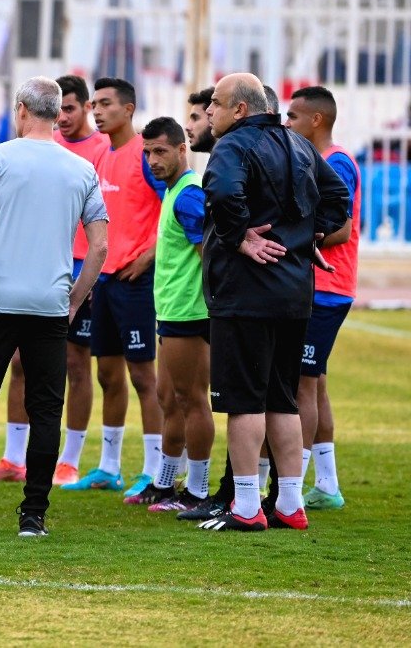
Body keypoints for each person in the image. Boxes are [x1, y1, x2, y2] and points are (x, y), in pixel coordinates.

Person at [0, 78, 108, 538]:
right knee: (47, 409)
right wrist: (73, 299)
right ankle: (33, 514)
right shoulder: (82, 168)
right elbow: (99, 247)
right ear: (56, 113)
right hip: (49, 304)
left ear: (21, 110)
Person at [197, 72, 348, 532]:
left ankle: (246, 507)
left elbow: (223, 192)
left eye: (216, 102)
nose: (210, 111)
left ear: (240, 109)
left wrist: (240, 236)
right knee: (282, 398)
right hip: (294, 293)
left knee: (244, 401)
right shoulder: (299, 144)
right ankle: (289, 503)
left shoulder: (232, 146)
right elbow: (338, 197)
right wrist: (307, 236)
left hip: (246, 292)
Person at [0, 75, 107, 486]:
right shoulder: (30, 151)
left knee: (75, 364)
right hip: (37, 271)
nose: (64, 117)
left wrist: (87, 283)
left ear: (84, 108)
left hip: (79, 270)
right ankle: (13, 457)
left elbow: (105, 227)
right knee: (19, 362)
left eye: (71, 109)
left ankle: (69, 460)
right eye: (61, 109)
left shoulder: (99, 152)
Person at [64, 77, 164, 498]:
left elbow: (175, 206)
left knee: (142, 375)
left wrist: (148, 256)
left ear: (129, 109)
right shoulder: (103, 155)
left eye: (105, 104)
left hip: (136, 282)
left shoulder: (147, 154)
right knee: (106, 373)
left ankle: (156, 471)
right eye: (95, 104)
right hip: (104, 281)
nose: (98, 111)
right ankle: (109, 466)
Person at [132, 117, 214, 512]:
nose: (152, 160)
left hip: (190, 315)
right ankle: (165, 484)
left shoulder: (189, 195)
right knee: (168, 397)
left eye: (161, 151)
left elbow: (209, 258)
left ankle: (197, 490)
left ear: (183, 150)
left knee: (192, 399)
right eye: (148, 152)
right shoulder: (173, 190)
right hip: (171, 312)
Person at [286, 85, 359, 511]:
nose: (287, 123)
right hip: (319, 285)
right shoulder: (319, 159)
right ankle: (327, 485)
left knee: (303, 383)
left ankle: (292, 485)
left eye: (293, 116)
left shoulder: (337, 163)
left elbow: (342, 229)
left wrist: (293, 241)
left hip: (327, 287)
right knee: (315, 383)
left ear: (316, 120)